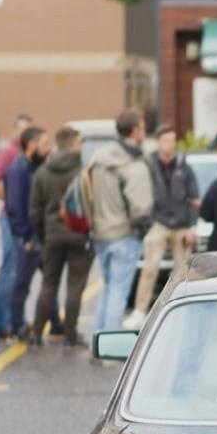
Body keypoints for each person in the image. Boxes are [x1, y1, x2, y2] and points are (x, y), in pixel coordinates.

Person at [89, 108, 154, 333]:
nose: (144, 131)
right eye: (143, 127)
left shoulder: (98, 159)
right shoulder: (133, 165)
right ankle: (110, 344)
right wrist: (143, 230)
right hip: (124, 234)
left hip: (100, 232)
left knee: (108, 289)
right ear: (136, 131)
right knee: (118, 291)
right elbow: (142, 207)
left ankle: (98, 342)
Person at [27, 125, 92, 347]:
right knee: (75, 286)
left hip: (52, 236)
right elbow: (92, 206)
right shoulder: (82, 172)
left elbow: (34, 211)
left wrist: (44, 235)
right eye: (80, 143)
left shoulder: (43, 172)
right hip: (78, 235)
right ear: (73, 145)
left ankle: (36, 333)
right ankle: (70, 335)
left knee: (49, 284)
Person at [128, 125, 201, 322]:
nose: (170, 144)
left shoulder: (184, 167)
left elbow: (194, 200)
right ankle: (139, 310)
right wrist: (147, 223)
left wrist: (192, 227)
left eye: (173, 140)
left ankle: (182, 308)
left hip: (181, 224)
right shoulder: (149, 165)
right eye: (166, 140)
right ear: (158, 142)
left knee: (182, 270)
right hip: (158, 222)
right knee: (150, 266)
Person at [0, 112, 32, 339]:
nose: (25, 134)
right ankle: (4, 324)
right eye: (22, 129)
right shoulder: (9, 152)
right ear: (14, 130)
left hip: (22, 218)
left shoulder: (24, 153)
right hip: (9, 217)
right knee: (10, 269)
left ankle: (18, 320)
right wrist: (10, 200)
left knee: (20, 272)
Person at [4, 125, 50, 342]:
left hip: (38, 236)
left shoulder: (32, 167)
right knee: (22, 284)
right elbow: (15, 207)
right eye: (44, 144)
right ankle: (17, 326)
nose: (48, 148)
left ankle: (56, 324)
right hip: (28, 239)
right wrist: (25, 237)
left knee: (50, 281)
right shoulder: (17, 171)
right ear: (31, 145)